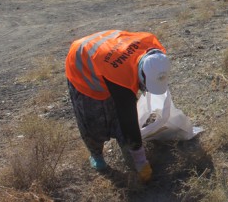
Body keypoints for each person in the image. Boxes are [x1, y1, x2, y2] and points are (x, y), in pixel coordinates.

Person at [65, 30, 172, 183]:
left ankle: (124, 147)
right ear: (139, 74)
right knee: (92, 119)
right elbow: (128, 117)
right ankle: (97, 157)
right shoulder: (120, 73)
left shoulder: (155, 55)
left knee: (118, 110)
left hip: (105, 53)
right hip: (81, 62)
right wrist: (141, 160)